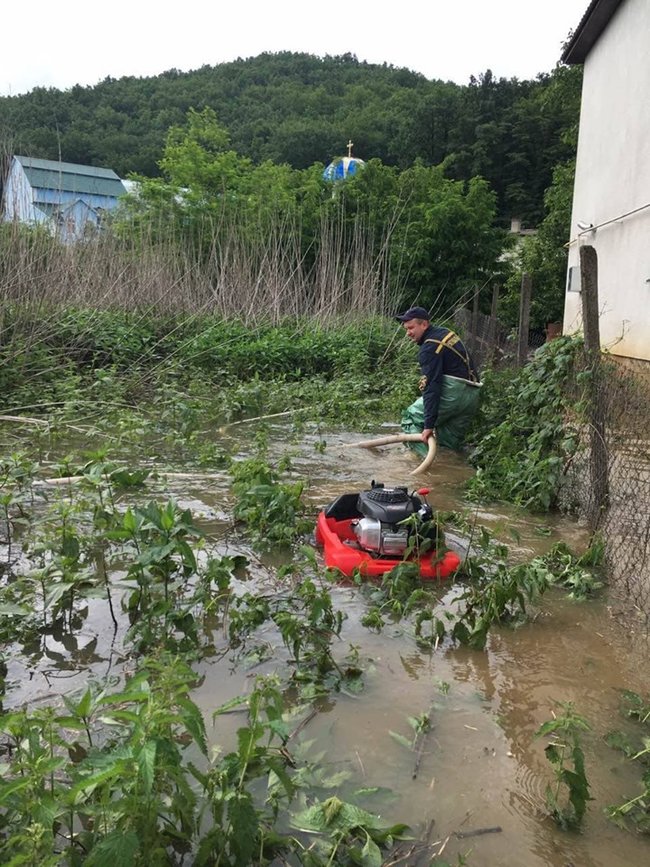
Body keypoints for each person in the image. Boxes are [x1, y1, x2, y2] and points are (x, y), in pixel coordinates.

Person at [395, 306, 482, 452]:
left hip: (453, 394)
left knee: (410, 418)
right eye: (406, 329)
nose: (408, 333)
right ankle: (448, 469)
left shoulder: (429, 347)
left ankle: (420, 463)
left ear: (424, 324)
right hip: (472, 394)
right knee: (448, 447)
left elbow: (432, 386)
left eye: (411, 328)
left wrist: (428, 425)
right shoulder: (445, 333)